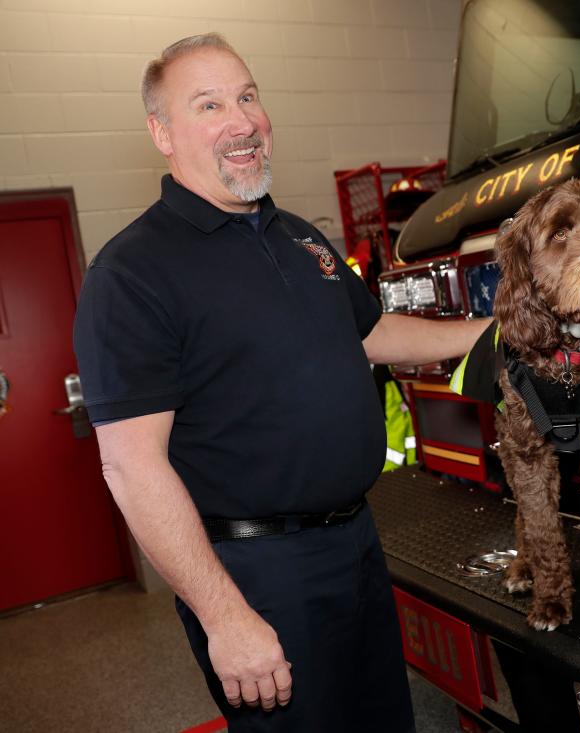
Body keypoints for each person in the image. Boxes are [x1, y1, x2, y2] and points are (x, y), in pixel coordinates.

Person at [73, 33, 489, 732]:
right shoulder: (132, 273)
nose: (241, 120)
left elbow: (372, 332)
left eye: (247, 96)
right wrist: (224, 614)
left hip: (356, 544)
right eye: (208, 104)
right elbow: (131, 466)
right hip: (255, 573)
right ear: (162, 133)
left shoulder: (299, 238)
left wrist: (490, 333)